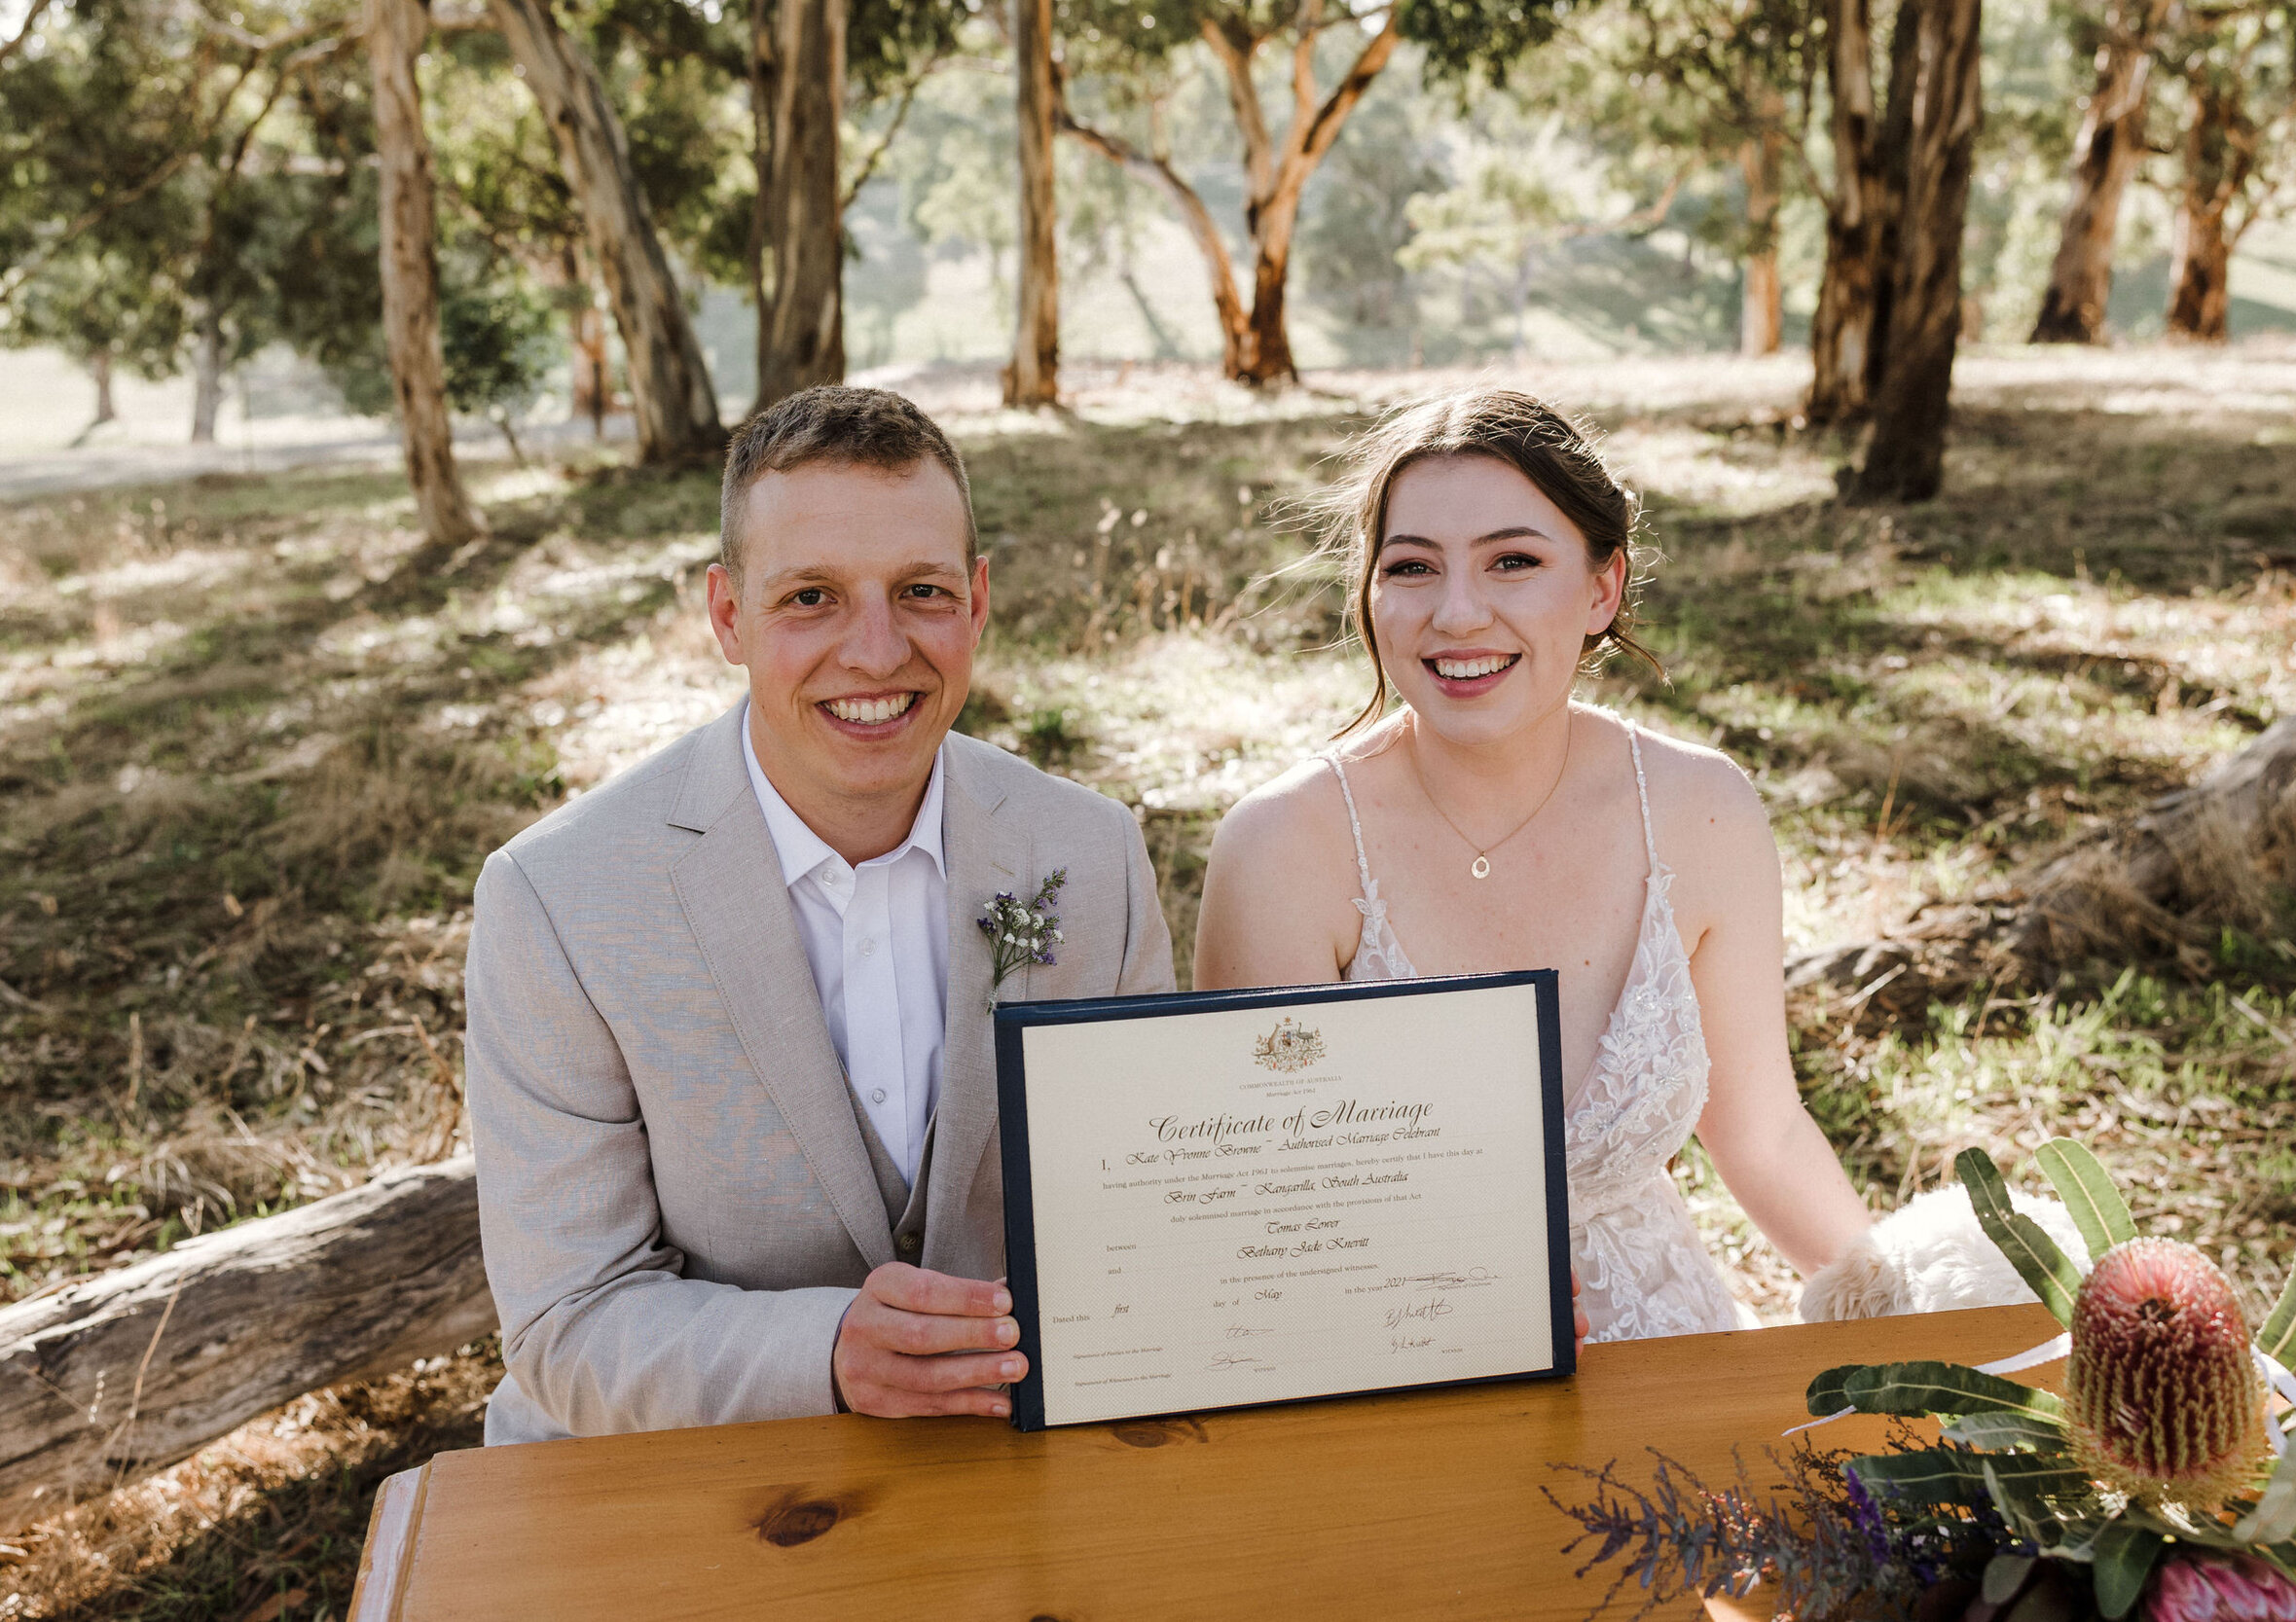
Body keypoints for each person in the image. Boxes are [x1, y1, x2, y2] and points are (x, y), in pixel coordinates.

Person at [465, 386, 1174, 1442]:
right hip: (674, 1474)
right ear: (726, 616)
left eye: (921, 591)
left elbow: (1141, 1211)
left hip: (1006, 1448)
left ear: (976, 601)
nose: (878, 650)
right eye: (812, 597)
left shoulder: (1089, 853)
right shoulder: (557, 899)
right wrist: (828, 1351)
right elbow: (570, 1319)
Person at [1193, 388, 1874, 1343]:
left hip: (1661, 1345)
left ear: (1602, 588)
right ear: (1370, 595)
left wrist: (1916, 1328)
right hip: (1381, 1367)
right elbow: (1261, 1217)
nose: (1458, 612)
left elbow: (1762, 1139)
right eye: (1412, 567)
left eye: (1512, 561)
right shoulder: (1281, 846)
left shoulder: (1699, 809)